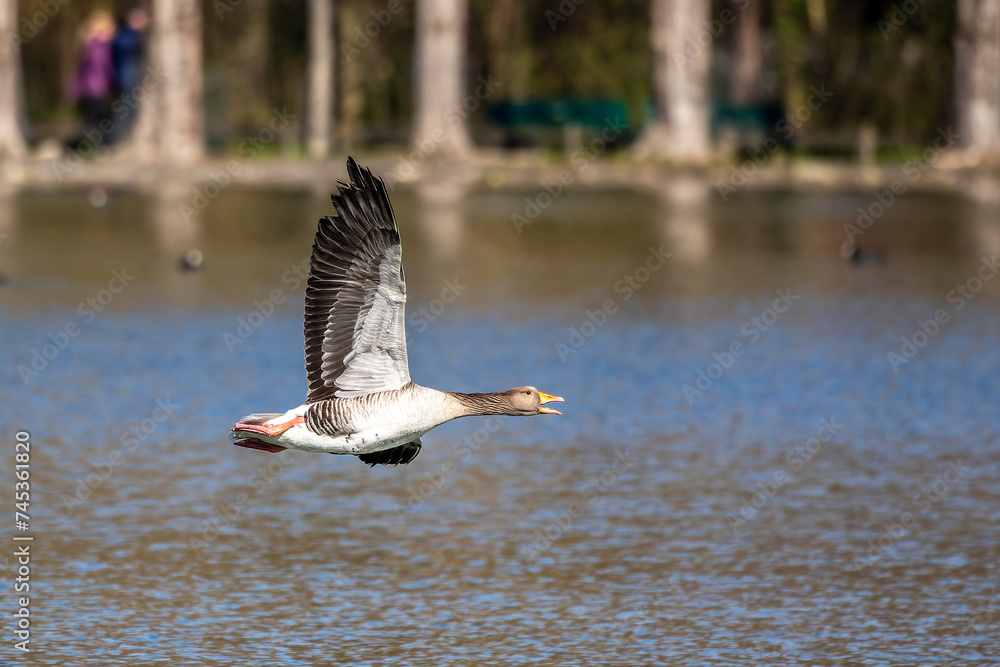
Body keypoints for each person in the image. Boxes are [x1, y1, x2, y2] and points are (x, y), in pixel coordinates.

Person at [68, 10, 117, 151]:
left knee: (94, 119)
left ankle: (91, 145)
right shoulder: (97, 48)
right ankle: (99, 146)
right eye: (109, 29)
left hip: (94, 87)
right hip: (95, 88)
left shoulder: (94, 46)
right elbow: (102, 68)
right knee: (97, 119)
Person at [111, 4, 151, 142]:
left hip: (135, 79)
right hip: (127, 79)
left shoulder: (135, 36)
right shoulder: (125, 36)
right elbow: (122, 45)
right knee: (126, 111)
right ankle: (121, 138)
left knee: (131, 110)